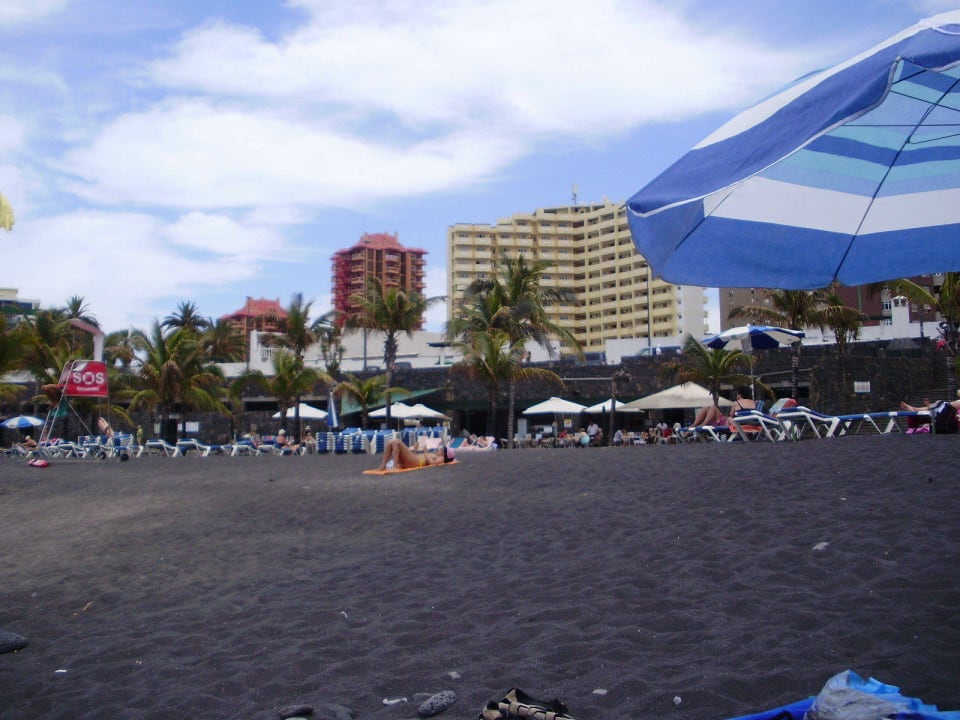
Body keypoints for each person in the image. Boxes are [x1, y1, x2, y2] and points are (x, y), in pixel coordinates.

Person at [690, 387, 756, 428]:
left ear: (740, 394)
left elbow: (731, 415)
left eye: (737, 394)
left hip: (732, 424)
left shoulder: (737, 403)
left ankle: (697, 425)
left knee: (712, 407)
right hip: (747, 424)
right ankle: (698, 425)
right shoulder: (753, 403)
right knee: (708, 408)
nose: (736, 396)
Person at [377, 437, 452, 471]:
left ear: (444, 454)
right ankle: (383, 465)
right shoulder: (434, 454)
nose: (439, 449)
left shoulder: (441, 458)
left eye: (441, 449)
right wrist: (415, 450)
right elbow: (420, 457)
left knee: (395, 441)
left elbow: (433, 463)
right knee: (391, 442)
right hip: (413, 460)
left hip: (416, 462)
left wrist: (425, 451)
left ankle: (395, 465)